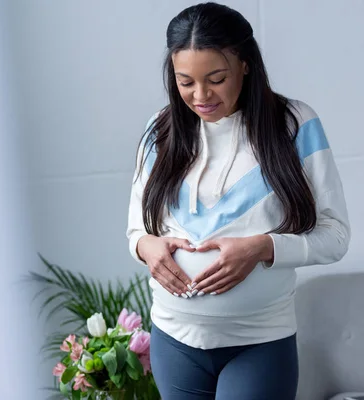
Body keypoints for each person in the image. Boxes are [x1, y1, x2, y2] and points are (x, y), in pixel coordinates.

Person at [126, 3, 350, 399]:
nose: (200, 96)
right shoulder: (159, 129)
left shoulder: (294, 125)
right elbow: (136, 230)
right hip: (173, 339)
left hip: (259, 342)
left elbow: (335, 236)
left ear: (245, 65)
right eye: (185, 81)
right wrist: (147, 247)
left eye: (216, 78)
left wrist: (263, 247)